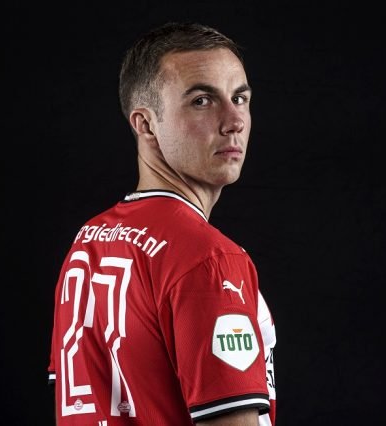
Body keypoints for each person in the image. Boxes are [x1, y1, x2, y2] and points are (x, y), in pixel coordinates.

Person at [47, 21, 276, 425]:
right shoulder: (209, 259)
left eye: (240, 98)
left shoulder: (88, 242)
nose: (234, 121)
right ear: (145, 123)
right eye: (202, 101)